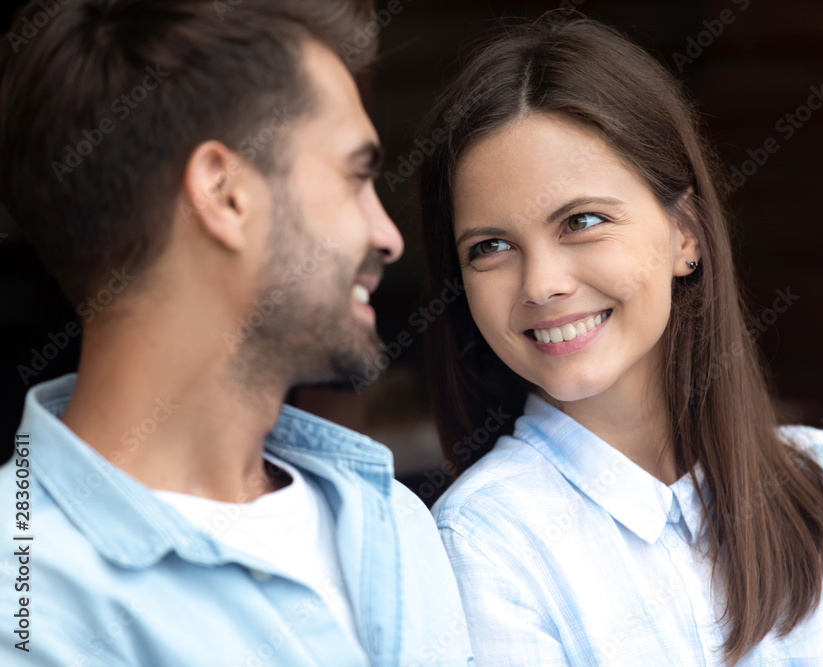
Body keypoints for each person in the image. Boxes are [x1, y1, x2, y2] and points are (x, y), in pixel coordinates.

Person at [419, 14, 823, 666]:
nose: (541, 284)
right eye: (490, 246)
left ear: (685, 231)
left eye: (582, 221)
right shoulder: (483, 544)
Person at [0, 1, 472, 665]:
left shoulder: (392, 521)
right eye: (355, 175)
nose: (389, 236)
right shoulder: (29, 601)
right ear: (224, 194)